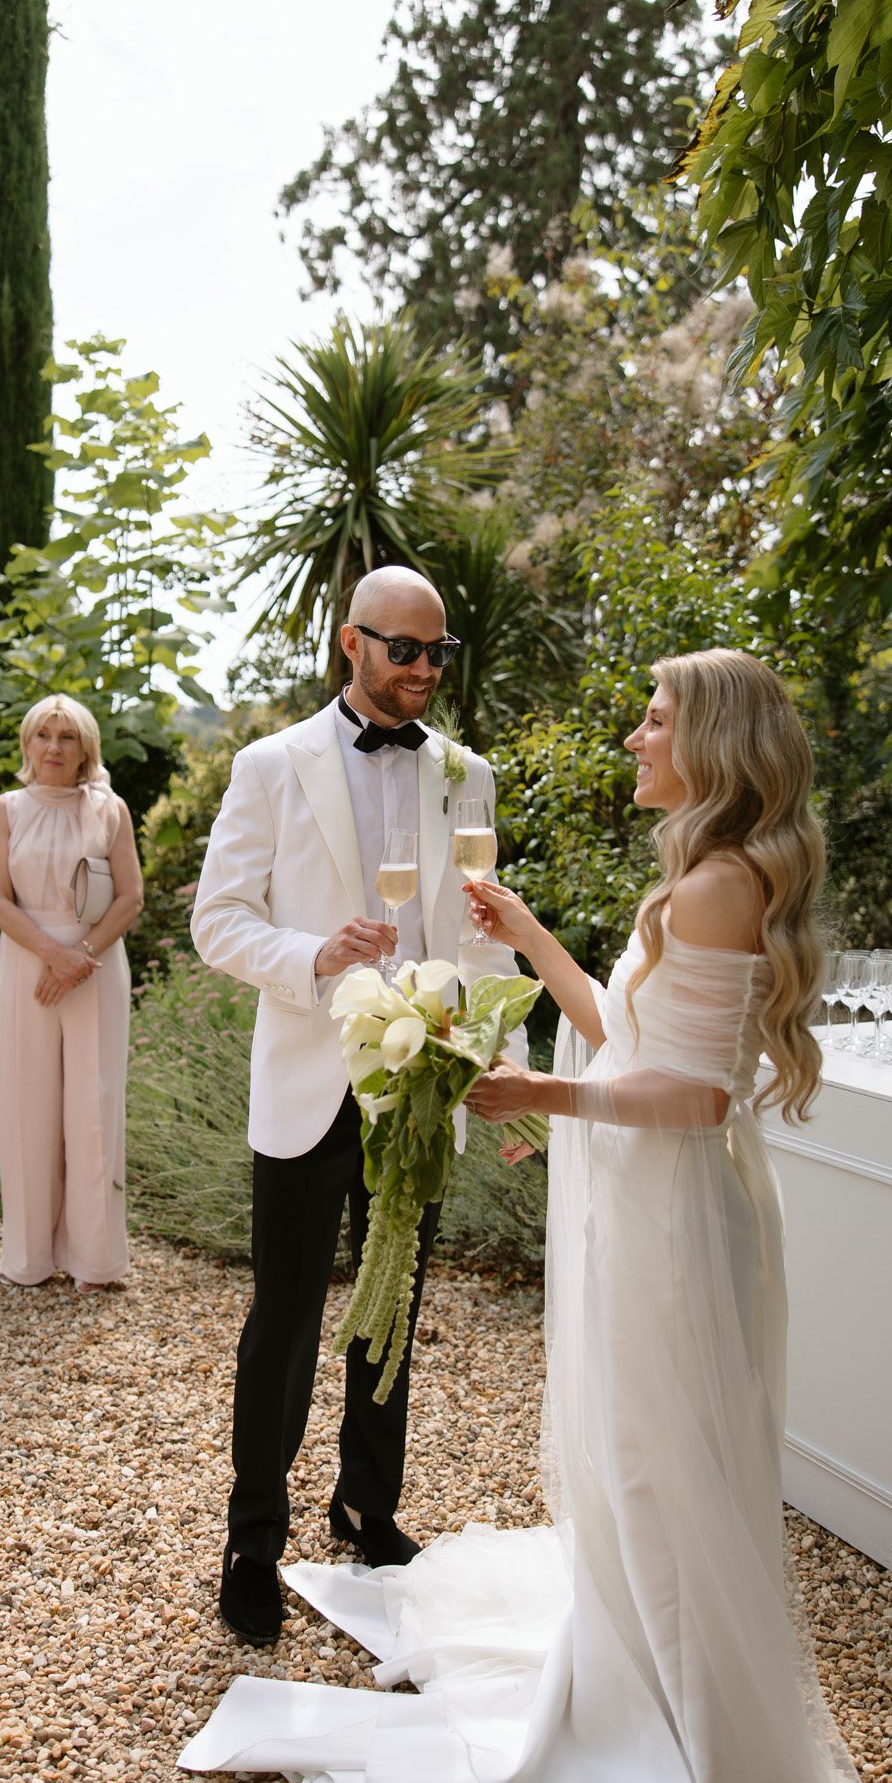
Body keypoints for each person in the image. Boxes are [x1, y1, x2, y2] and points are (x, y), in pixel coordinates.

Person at [180, 649, 870, 1783]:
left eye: (651, 721)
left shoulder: (714, 883)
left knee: (657, 1460)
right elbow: (624, 1024)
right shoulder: (705, 873)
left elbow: (697, 1096)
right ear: (354, 643)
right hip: (620, 1190)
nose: (633, 739)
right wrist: (526, 931)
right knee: (634, 1449)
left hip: (668, 1209)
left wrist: (539, 1092)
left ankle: (692, 1734)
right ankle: (655, 1680)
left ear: (707, 741)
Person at [190, 566, 524, 1648]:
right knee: (282, 1319)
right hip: (308, 1079)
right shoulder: (269, 763)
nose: (424, 670)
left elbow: (482, 934)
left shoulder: (465, 773)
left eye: (439, 653)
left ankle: (367, 1506)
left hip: (422, 1089)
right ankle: (253, 1540)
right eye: (403, 651)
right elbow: (218, 918)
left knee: (392, 1311)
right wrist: (310, 954)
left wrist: (499, 1065)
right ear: (350, 643)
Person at [0, 695, 143, 1293]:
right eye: (43, 735)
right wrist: (53, 955)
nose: (54, 747)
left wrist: (82, 957)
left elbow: (130, 897)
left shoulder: (110, 809)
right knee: (29, 1104)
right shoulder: (5, 810)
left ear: (85, 749)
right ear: (27, 744)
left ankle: (95, 1261)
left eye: (67, 737)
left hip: (96, 968)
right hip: (28, 965)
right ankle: (28, 1257)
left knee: (93, 1107)